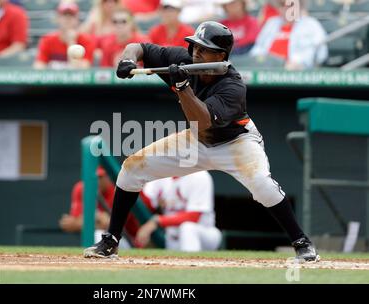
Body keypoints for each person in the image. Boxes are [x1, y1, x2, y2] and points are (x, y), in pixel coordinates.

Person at [83, 21, 319, 262]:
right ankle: (111, 240)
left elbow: (204, 119)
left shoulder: (233, 86)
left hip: (235, 142)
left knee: (262, 185)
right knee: (131, 169)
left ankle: (302, 242)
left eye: (203, 49)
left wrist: (182, 86)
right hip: (197, 140)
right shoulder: (183, 59)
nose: (196, 53)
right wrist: (128, 60)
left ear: (220, 56)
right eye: (195, 46)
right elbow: (139, 47)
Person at [138, 171, 222, 252]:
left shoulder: (199, 176)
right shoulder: (160, 175)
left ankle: (192, 264)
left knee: (187, 227)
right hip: (173, 238)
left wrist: (157, 220)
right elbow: (145, 202)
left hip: (203, 234)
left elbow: (193, 217)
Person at [59, 167, 140, 248]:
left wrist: (88, 219)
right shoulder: (81, 188)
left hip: (128, 240)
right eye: (93, 177)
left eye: (100, 177)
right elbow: (71, 225)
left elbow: (110, 225)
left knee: (99, 235)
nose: (96, 181)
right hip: (105, 237)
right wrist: (98, 217)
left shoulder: (119, 191)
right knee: (97, 234)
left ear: (108, 177)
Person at [250, 0, 328, 70]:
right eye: (282, 4)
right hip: (266, 71)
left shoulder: (311, 24)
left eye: (291, 4)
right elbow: (257, 50)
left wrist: (295, 64)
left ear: (299, 5)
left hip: (296, 75)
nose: (286, 8)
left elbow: (321, 54)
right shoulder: (271, 23)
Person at [34, 1, 95, 69]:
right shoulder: (47, 40)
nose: (67, 18)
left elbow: (81, 72)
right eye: (64, 15)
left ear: (77, 19)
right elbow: (39, 68)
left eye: (71, 15)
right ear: (57, 18)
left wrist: (71, 42)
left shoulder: (86, 41)